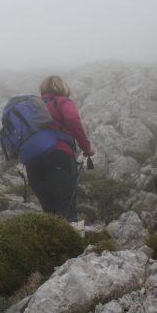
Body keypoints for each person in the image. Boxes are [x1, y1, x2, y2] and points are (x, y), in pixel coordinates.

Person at [25, 75, 96, 222]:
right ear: (62, 88)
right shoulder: (62, 101)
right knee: (66, 209)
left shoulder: (32, 106)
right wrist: (87, 147)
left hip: (33, 163)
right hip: (59, 157)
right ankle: (71, 243)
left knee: (50, 212)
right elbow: (72, 119)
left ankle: (52, 242)